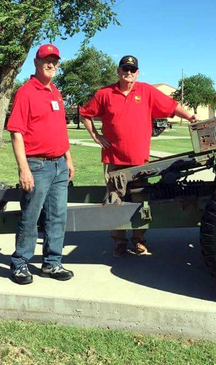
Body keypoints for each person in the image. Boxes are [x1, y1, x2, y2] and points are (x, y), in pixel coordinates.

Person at [80, 55, 196, 257]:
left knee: (140, 201)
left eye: (132, 70)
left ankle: (139, 240)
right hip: (114, 160)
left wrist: (190, 116)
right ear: (118, 71)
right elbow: (85, 113)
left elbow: (171, 105)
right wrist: (95, 135)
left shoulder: (146, 91)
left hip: (139, 162)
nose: (128, 72)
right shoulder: (104, 94)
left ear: (137, 73)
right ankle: (118, 242)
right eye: (125, 68)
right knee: (116, 202)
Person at [6, 43, 75, 284]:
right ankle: (20, 264)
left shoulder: (55, 92)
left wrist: (68, 159)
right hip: (37, 165)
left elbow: (60, 130)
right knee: (31, 216)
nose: (52, 64)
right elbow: (16, 133)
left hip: (59, 166)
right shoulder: (26, 92)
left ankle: (52, 264)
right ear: (36, 62)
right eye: (47, 60)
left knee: (57, 216)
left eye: (55, 60)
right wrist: (24, 169)